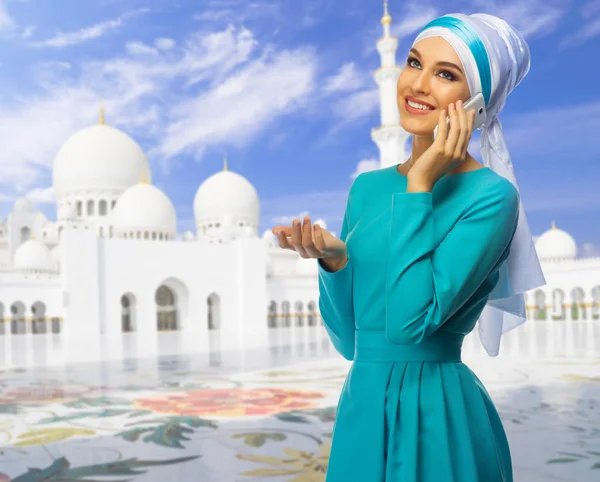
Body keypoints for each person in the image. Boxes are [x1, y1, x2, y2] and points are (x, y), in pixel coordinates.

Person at [272, 12, 546, 482]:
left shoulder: (493, 199)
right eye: (414, 62)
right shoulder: (366, 188)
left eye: (445, 74)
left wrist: (420, 183)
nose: (418, 84)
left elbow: (408, 325)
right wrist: (336, 266)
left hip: (437, 415)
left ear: (477, 104)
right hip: (362, 407)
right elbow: (350, 343)